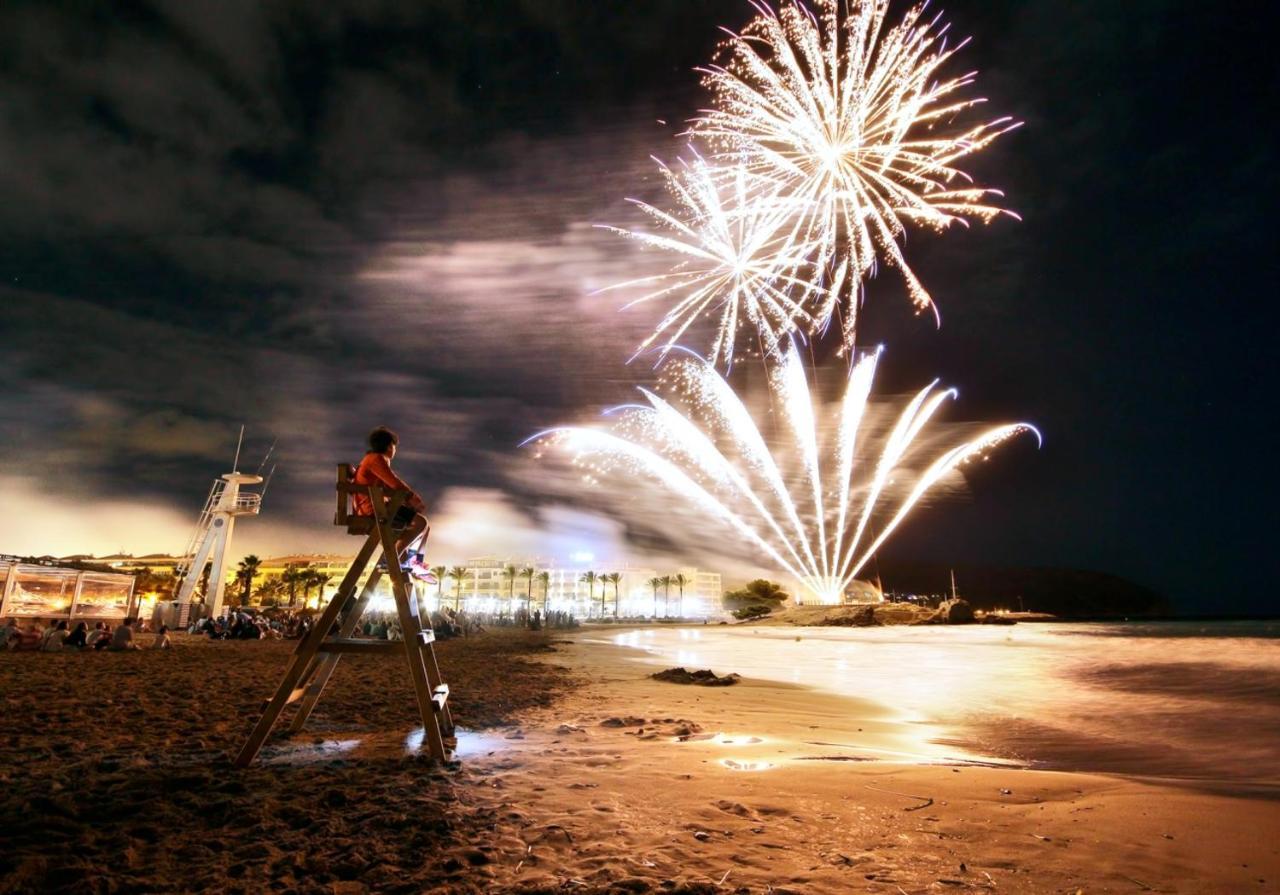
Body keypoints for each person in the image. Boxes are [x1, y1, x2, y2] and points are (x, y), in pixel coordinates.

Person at [352, 427, 430, 570]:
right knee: (420, 523)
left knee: (421, 527)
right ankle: (391, 559)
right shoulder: (376, 459)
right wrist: (413, 499)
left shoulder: (372, 459)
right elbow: (394, 482)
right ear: (389, 446)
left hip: (374, 506)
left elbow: (387, 488)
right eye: (394, 446)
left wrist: (407, 501)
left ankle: (410, 559)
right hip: (374, 509)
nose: (395, 449)